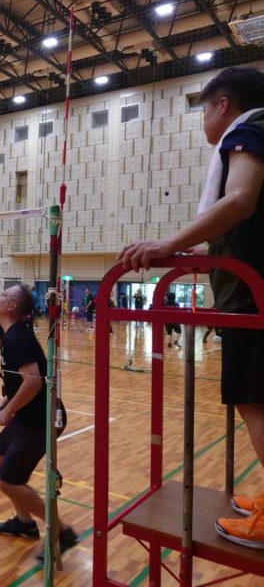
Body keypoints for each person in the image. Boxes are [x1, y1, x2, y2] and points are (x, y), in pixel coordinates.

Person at [117, 66, 264, 548]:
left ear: (223, 105)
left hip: (251, 299)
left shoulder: (247, 132)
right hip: (249, 291)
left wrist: (169, 242)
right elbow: (241, 229)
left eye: (203, 110)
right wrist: (194, 251)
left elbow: (240, 200)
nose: (204, 121)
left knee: (254, 403)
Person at [0, 284, 78, 562]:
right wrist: (4, 403)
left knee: (7, 481)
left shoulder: (18, 338)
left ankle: (62, 532)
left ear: (12, 306)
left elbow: (34, 382)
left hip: (41, 418)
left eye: (3, 295)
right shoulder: (12, 334)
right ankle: (24, 523)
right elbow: (26, 380)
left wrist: (9, 411)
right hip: (29, 413)